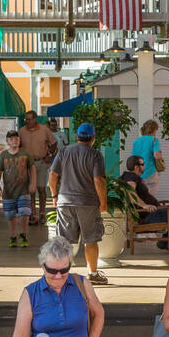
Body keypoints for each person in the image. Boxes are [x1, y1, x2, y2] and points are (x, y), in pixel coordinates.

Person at [48, 122, 110, 285]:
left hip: (65, 202)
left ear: (77, 136)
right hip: (87, 203)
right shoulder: (95, 155)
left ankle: (60, 273)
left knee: (64, 241)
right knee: (90, 239)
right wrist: (103, 201)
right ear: (93, 138)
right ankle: (93, 273)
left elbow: (53, 175)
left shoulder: (64, 152)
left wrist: (55, 195)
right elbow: (99, 180)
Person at [120, 154, 169, 252]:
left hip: (154, 212)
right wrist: (144, 205)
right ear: (136, 167)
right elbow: (130, 193)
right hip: (150, 214)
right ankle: (167, 243)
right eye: (142, 164)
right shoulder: (131, 177)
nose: (144, 166)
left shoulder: (131, 177)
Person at [0, 130, 36, 249]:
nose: (14, 141)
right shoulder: (4, 155)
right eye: (11, 139)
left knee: (24, 213)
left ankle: (23, 234)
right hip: (8, 191)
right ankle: (12, 236)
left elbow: (32, 169)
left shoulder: (25, 154)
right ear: (7, 141)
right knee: (10, 215)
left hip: (23, 190)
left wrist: (33, 183)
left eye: (16, 139)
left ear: (19, 140)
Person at [18, 110, 60, 227]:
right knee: (31, 191)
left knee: (41, 189)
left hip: (41, 163)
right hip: (27, 164)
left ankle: (42, 213)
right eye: (26, 119)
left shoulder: (44, 130)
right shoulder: (21, 131)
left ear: (35, 119)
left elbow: (54, 143)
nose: (27, 121)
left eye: (29, 119)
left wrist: (49, 155)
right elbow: (18, 145)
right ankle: (33, 214)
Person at [130, 119, 167, 197]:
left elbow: (133, 158)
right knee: (149, 199)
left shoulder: (137, 141)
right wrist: (160, 155)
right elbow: (157, 156)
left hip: (139, 173)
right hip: (151, 173)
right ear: (153, 130)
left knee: (140, 197)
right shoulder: (154, 140)